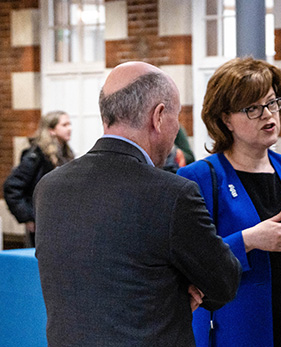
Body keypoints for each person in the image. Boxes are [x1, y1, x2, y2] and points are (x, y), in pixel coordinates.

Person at [34, 61, 241, 346]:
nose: (176, 128)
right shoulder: (173, 194)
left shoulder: (50, 187)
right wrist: (179, 292)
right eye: (176, 117)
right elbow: (224, 282)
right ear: (158, 116)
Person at [177, 57, 281, 347]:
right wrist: (248, 240)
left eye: (272, 103)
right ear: (225, 119)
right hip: (237, 330)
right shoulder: (200, 177)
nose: (268, 115)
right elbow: (191, 263)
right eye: (252, 108)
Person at [3, 110, 74, 247]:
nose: (69, 129)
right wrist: (28, 217)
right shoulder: (35, 156)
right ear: (51, 130)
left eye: (69, 124)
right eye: (64, 125)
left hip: (59, 221)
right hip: (40, 222)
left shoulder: (66, 153)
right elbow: (12, 186)